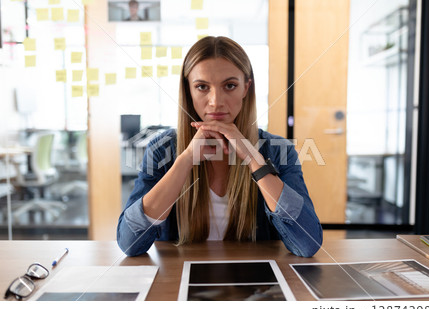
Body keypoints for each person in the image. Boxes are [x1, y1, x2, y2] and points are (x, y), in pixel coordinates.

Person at [117, 36, 323, 257]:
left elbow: (307, 244)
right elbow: (130, 243)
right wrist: (185, 159)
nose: (215, 101)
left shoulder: (278, 150)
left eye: (230, 86)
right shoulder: (162, 148)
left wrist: (254, 160)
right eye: (202, 87)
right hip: (179, 282)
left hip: (256, 284)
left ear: (246, 88)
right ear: (189, 90)